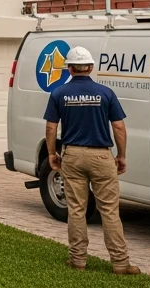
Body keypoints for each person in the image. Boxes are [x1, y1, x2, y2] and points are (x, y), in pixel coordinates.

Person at [44, 45, 140, 275]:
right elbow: (118, 126)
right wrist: (122, 155)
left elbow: (50, 126)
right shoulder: (105, 93)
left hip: (72, 155)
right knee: (109, 210)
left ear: (69, 68)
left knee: (76, 209)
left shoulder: (59, 94)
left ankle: (78, 260)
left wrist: (51, 153)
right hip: (101, 155)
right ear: (91, 67)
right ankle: (120, 262)